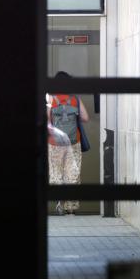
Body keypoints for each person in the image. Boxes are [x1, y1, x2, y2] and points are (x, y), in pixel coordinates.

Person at [47, 71, 90, 215]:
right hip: (73, 141)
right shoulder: (75, 99)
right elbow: (85, 117)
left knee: (56, 172)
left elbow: (47, 120)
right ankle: (71, 207)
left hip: (54, 142)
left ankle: (60, 201)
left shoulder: (50, 98)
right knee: (72, 173)